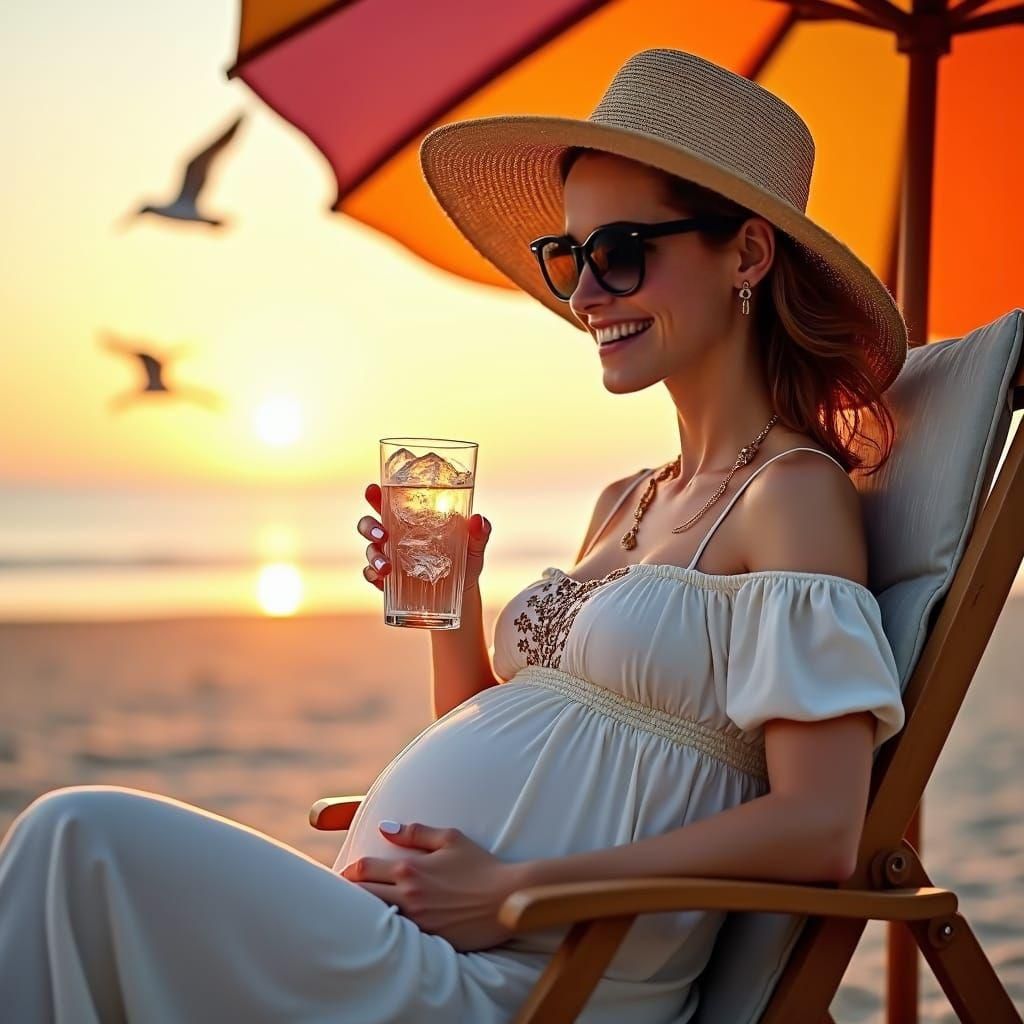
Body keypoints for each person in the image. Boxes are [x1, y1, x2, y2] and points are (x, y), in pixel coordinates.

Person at [0, 48, 907, 1023]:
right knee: (71, 875)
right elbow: (507, 729)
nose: (584, 293)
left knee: (74, 840)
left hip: (532, 984)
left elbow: (820, 826)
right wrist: (455, 608)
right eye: (567, 257)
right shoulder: (622, 502)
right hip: (440, 935)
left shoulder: (791, 496)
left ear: (748, 253)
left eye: (622, 252)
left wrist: (519, 882)